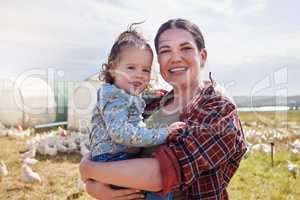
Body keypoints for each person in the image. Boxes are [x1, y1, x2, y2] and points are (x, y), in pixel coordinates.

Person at [80, 18, 247, 200]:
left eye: (186, 48)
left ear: (203, 56)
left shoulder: (218, 108)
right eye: (166, 51)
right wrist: (93, 186)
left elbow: (163, 175)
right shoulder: (152, 102)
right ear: (158, 61)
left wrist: (90, 169)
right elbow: (110, 143)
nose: (175, 58)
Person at [87, 23, 185, 200]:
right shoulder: (113, 97)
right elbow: (121, 133)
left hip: (116, 158)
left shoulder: (122, 94)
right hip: (111, 160)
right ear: (112, 68)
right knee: (159, 191)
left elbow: (132, 104)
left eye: (145, 70)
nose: (139, 75)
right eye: (131, 68)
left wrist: (150, 96)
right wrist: (163, 133)